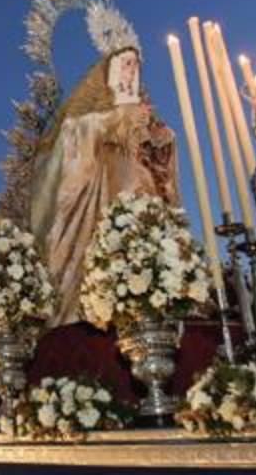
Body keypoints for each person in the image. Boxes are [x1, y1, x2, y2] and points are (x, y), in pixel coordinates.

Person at [28, 46, 180, 324]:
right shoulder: (93, 116)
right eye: (125, 64)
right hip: (105, 199)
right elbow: (72, 135)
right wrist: (115, 118)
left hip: (144, 197)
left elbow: (160, 168)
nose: (131, 71)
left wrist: (161, 138)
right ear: (108, 73)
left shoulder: (144, 114)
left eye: (135, 65)